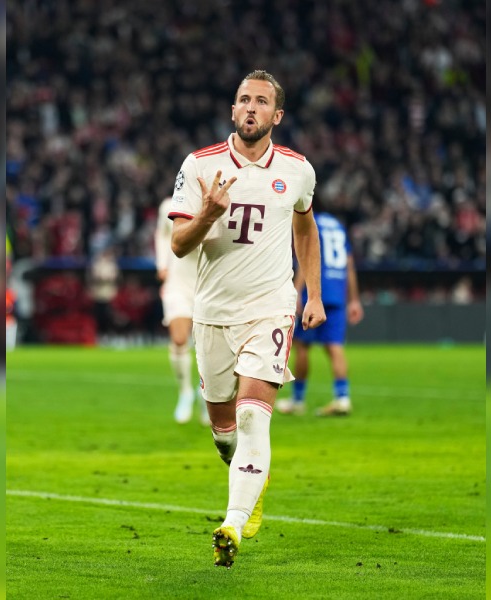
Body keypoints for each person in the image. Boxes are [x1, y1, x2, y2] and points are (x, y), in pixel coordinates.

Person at [169, 70, 325, 568]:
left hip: (270, 308)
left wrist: (312, 294)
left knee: (255, 414)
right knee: (223, 430)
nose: (250, 108)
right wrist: (209, 214)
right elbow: (179, 245)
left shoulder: (298, 170)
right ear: (233, 111)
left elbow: (306, 228)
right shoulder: (199, 166)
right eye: (242, 100)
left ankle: (232, 523)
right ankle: (250, 477)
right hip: (212, 313)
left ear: (276, 116)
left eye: (260, 101)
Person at [276, 212, 364, 417]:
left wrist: (296, 291)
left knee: (301, 345)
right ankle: (343, 398)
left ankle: (297, 400)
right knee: (335, 347)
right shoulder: (338, 227)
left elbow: (306, 253)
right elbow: (349, 265)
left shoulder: (310, 221)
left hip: (315, 291)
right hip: (337, 292)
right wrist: (354, 299)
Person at [155, 196, 208, 425]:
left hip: (207, 282)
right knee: (179, 339)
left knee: (208, 348)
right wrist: (162, 264)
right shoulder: (170, 206)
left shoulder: (219, 203)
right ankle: (185, 392)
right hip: (178, 282)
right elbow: (162, 233)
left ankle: (206, 396)